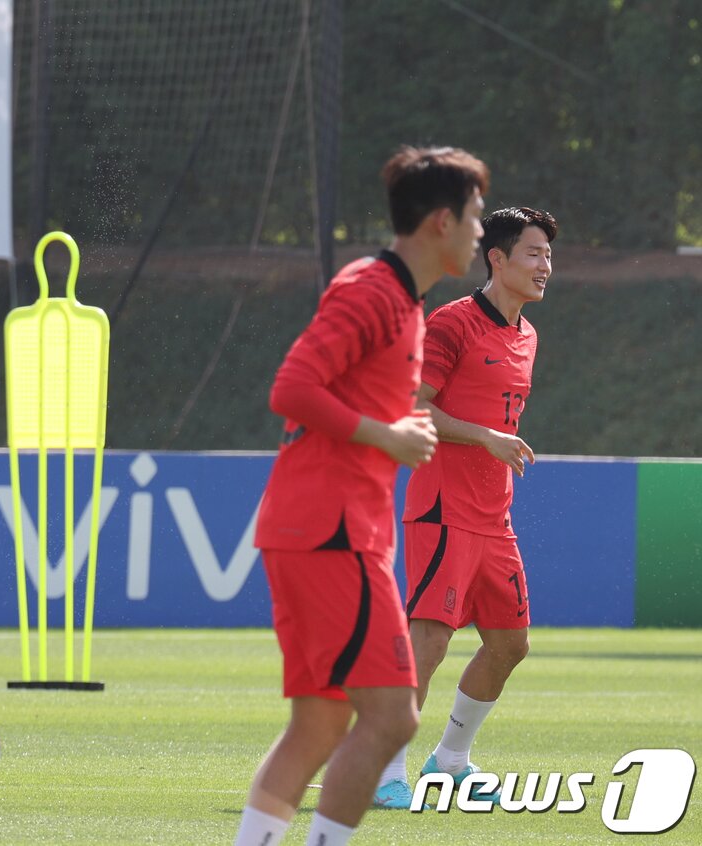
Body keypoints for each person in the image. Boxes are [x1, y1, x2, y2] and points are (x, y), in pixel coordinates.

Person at [234, 145, 489, 846]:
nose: (479, 232)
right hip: (331, 531)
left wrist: (388, 427)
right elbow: (290, 390)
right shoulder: (372, 291)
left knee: (319, 723)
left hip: (329, 529)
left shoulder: (401, 299)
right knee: (393, 719)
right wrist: (385, 435)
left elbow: (337, 394)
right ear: (441, 221)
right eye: (473, 218)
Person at [372, 207, 556, 810]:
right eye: (533, 253)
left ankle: (450, 760)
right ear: (497, 259)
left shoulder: (527, 336)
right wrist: (483, 436)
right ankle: (383, 772)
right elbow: (413, 408)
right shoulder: (452, 324)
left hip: (493, 516)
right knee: (428, 640)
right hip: (442, 508)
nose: (544, 266)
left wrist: (491, 442)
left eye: (549, 256)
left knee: (510, 645)